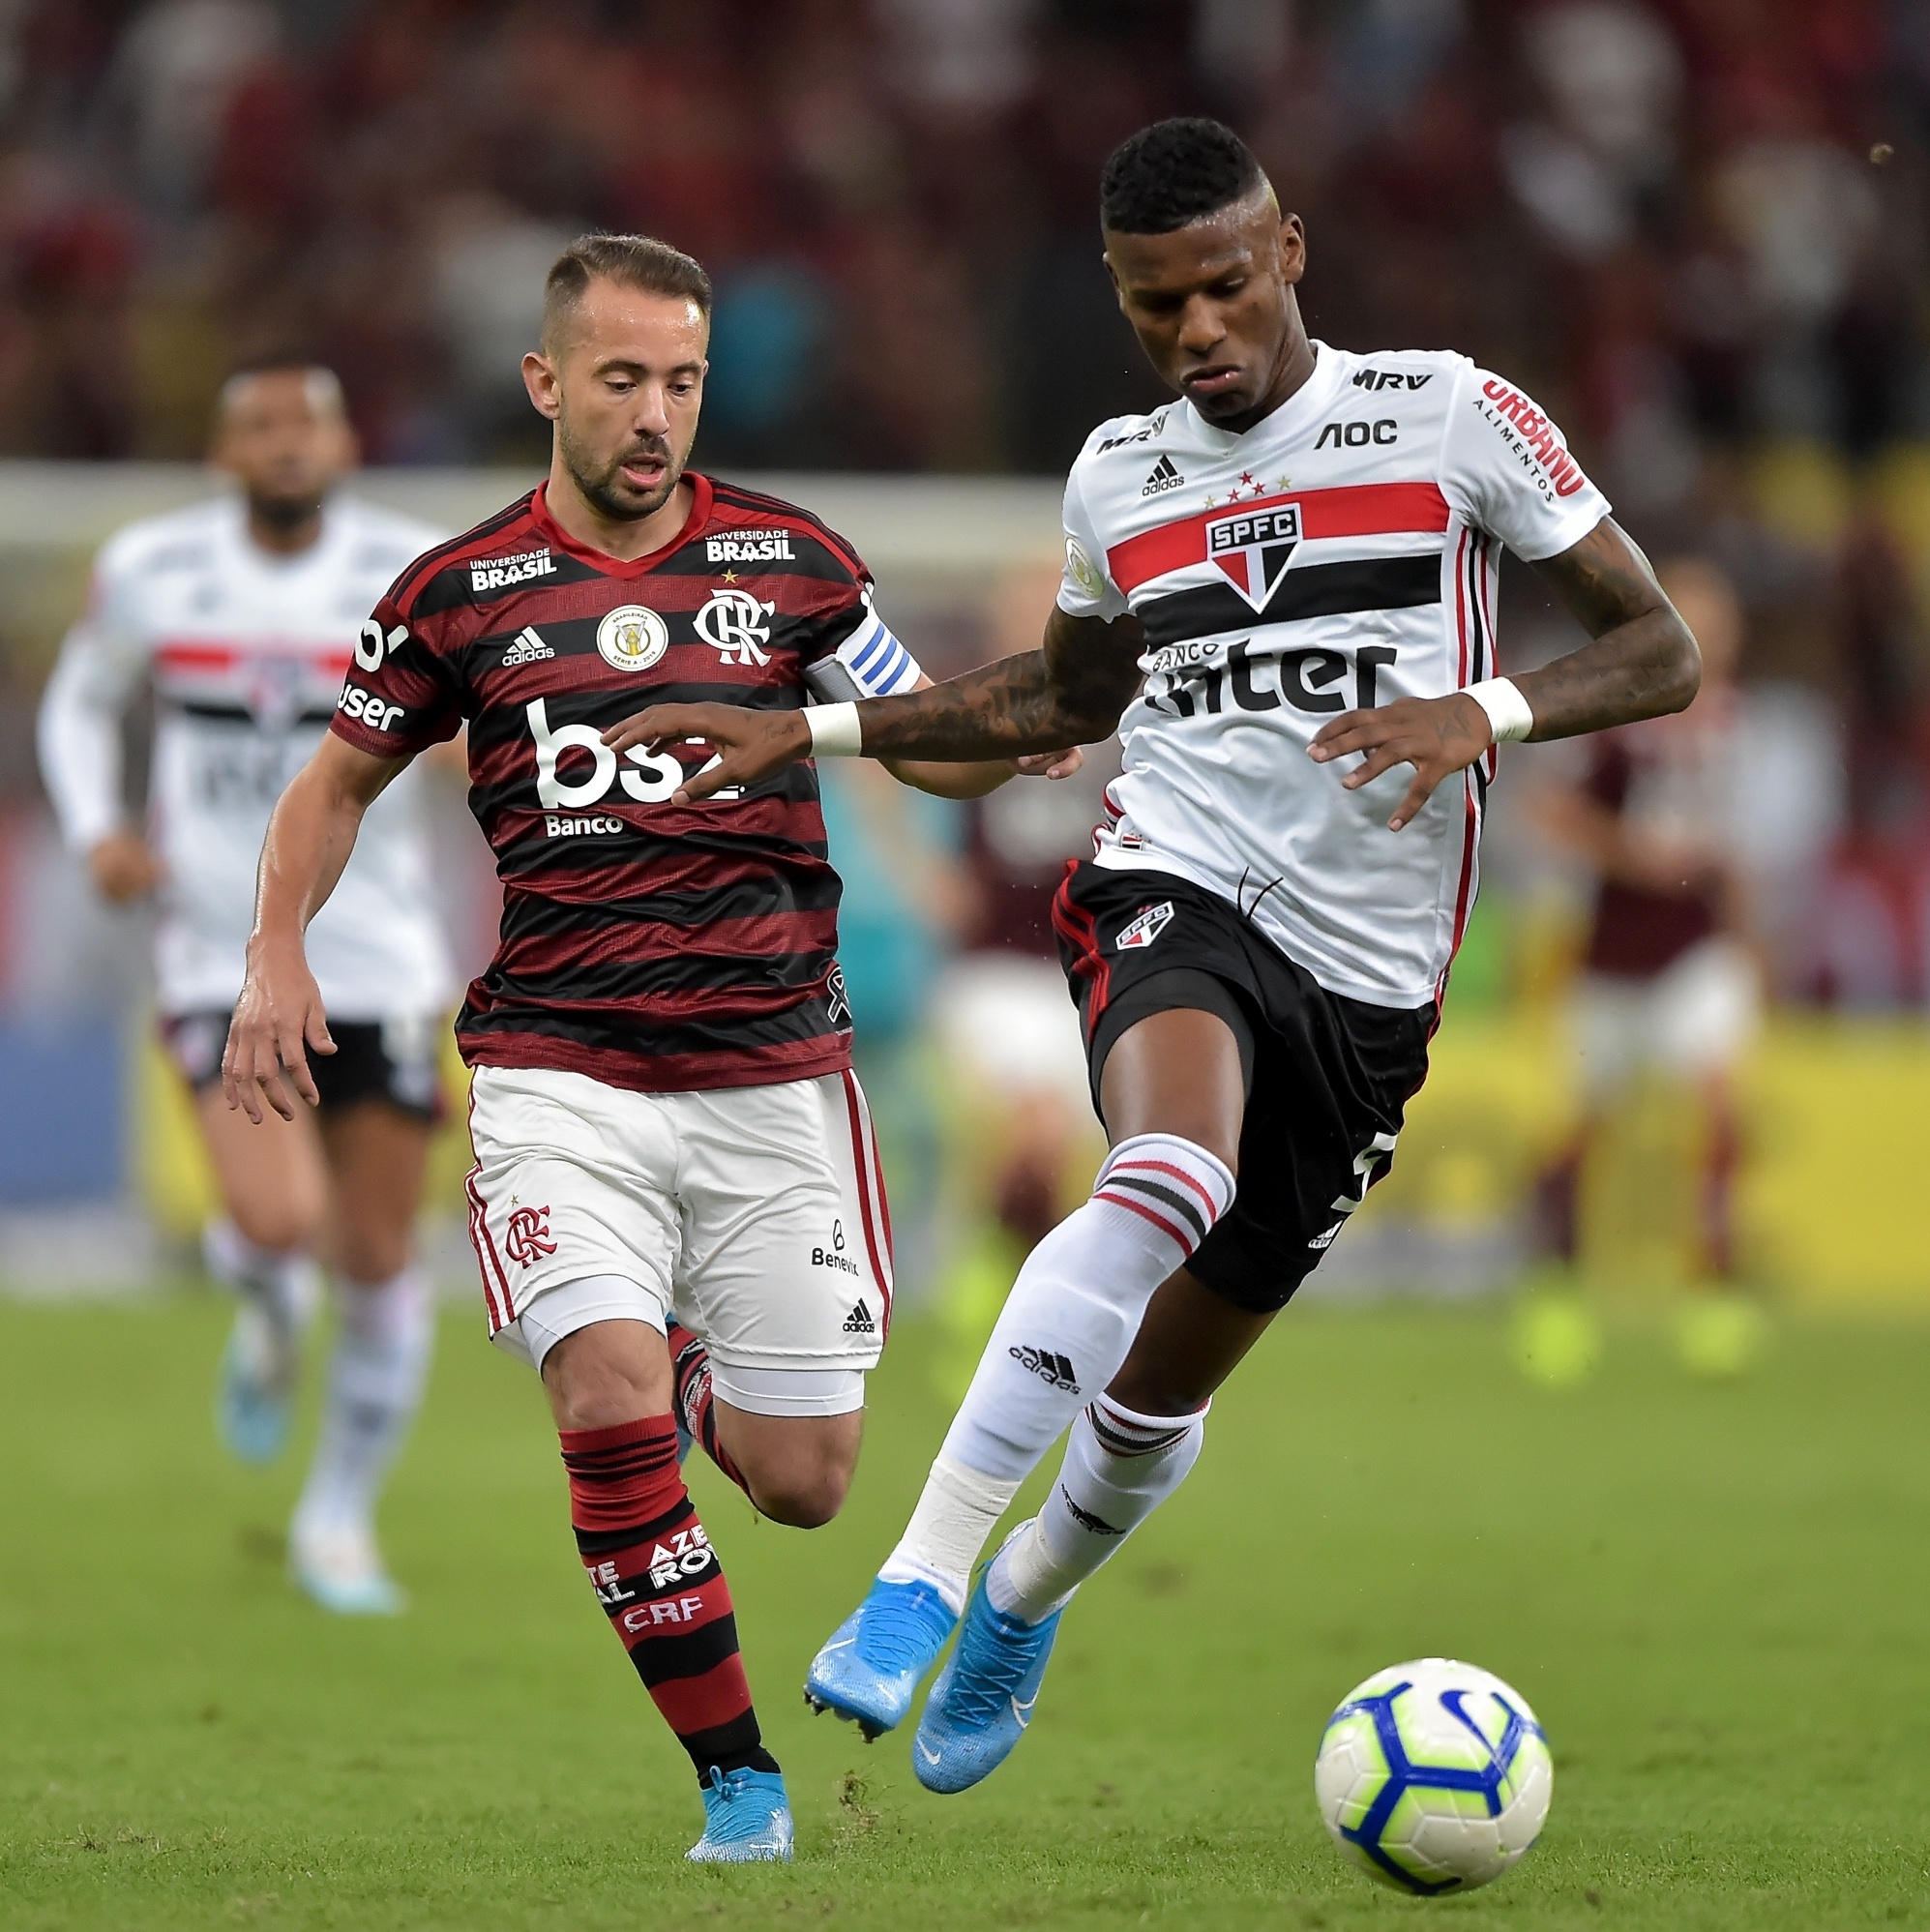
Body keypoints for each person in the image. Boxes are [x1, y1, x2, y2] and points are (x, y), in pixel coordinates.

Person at [603, 117, 1703, 1793]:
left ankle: (1025, 1597)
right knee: (1164, 1166)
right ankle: (920, 1574)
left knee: (1155, 1400)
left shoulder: (1455, 416)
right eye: (1153, 305)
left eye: (1223, 286)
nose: (1196, 333)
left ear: (1292, 253)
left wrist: (1478, 707)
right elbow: (1062, 700)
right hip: (1174, 881)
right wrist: (802, 732)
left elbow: (1660, 647)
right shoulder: (1120, 472)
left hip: (1371, 985)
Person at [219, 234, 1073, 1862]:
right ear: (547, 382)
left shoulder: (797, 563)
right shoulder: (455, 594)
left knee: (806, 1478)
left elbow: (921, 737)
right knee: (601, 1407)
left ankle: (689, 1362)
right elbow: (333, 783)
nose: (653, 415)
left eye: (679, 382)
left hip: (774, 1078)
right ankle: (737, 1778)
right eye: (621, 381)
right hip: (560, 1073)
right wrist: (276, 950)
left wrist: (1011, 745)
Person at [37, 363, 453, 1615]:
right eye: (260, 427)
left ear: (343, 447)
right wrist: (97, 827)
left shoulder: (411, 571)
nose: (286, 445)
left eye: (308, 424)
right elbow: (78, 700)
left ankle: (338, 1518)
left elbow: (491, 707)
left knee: (379, 1257)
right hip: (217, 952)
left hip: (379, 956)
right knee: (276, 1223)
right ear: (224, 455)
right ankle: (268, 1312)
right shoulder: (154, 569)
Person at [1533, 556, 1759, 1358]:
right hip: (1610, 955)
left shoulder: (1732, 721)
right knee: (1584, 1131)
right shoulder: (1623, 718)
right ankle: (1557, 1290)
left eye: (1720, 620)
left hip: (1693, 952)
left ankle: (1715, 1291)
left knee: (1718, 1111)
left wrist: (1746, 935)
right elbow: (1552, 810)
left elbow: (1729, 854)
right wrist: (1634, 855)